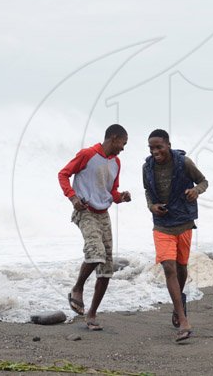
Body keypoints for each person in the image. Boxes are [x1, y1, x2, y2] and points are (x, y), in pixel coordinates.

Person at [58, 124, 131, 331]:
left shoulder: (116, 162)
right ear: (114, 138)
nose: (123, 148)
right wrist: (72, 198)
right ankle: (77, 288)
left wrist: (122, 197)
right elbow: (63, 174)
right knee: (96, 253)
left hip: (103, 215)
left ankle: (91, 314)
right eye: (123, 143)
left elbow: (112, 192)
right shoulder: (87, 154)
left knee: (106, 269)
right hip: (86, 211)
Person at [142, 129, 208, 342]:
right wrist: (152, 207)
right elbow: (147, 192)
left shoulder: (184, 163)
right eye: (151, 148)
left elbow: (204, 182)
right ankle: (183, 320)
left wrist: (196, 191)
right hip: (162, 225)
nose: (155, 151)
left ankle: (179, 304)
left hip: (184, 222)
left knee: (181, 268)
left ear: (168, 144)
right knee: (169, 268)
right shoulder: (147, 167)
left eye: (159, 147)